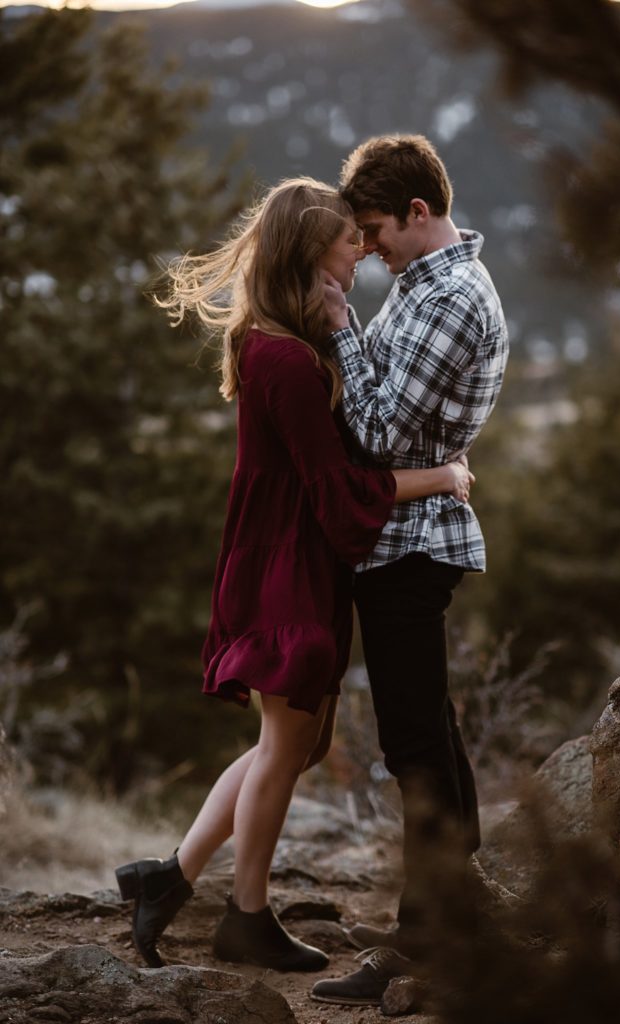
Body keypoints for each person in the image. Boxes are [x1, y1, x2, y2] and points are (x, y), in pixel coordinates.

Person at [114, 178, 474, 974]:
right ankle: (246, 915)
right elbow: (336, 491)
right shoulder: (283, 360)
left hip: (291, 560)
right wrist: (440, 476)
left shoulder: (287, 345)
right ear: (315, 255)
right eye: (350, 240)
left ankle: (168, 876)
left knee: (299, 742)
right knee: (285, 744)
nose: (362, 250)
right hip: (284, 565)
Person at [311, 136, 509, 1006]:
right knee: (431, 733)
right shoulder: (424, 287)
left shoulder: (451, 297)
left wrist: (340, 329)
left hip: (412, 540)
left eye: (377, 228)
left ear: (420, 214)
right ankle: (449, 919)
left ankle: (428, 940)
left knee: (412, 747)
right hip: (402, 536)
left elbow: (384, 432)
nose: (370, 246)